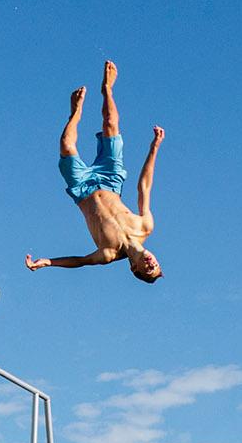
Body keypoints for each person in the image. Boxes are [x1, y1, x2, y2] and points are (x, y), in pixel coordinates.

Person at [26, 60, 164, 282]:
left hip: (82, 189)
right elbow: (144, 187)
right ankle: (107, 88)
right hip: (110, 180)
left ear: (134, 269)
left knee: (66, 145)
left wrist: (49, 262)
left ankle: (76, 111)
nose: (151, 263)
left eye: (148, 269)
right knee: (110, 125)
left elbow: (79, 261)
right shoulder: (145, 226)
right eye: (156, 265)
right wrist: (154, 148)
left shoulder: (107, 254)